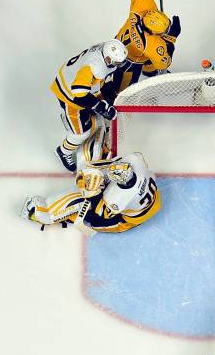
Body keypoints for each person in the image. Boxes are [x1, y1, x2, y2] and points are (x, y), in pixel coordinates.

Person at [20, 152, 160, 235]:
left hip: (125, 220)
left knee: (88, 215)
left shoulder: (118, 199)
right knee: (98, 177)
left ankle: (40, 213)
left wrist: (92, 192)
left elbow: (100, 213)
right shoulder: (136, 162)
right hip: (152, 200)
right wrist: (92, 168)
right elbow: (114, 162)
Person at [51, 40, 128, 172]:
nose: (119, 65)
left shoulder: (104, 51)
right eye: (117, 62)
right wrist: (100, 107)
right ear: (108, 58)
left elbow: (97, 78)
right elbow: (78, 93)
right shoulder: (94, 65)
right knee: (81, 134)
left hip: (74, 79)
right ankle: (63, 152)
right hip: (69, 95)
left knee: (100, 104)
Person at [101, 0, 181, 104]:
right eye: (163, 32)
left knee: (150, 58)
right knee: (122, 92)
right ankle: (106, 104)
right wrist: (171, 39)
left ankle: (149, 72)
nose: (166, 31)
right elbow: (163, 63)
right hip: (129, 61)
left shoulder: (141, 5)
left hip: (117, 44)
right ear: (152, 32)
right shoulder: (152, 44)